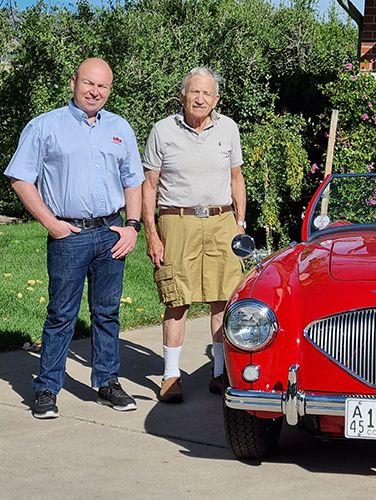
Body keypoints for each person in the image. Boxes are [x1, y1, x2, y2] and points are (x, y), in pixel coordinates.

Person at [4, 58, 145, 419]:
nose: (95, 91)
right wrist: (51, 224)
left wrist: (132, 225)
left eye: (103, 86)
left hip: (112, 232)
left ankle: (106, 383)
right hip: (70, 234)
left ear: (110, 90)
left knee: (108, 313)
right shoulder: (45, 126)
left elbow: (133, 179)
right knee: (61, 315)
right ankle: (47, 388)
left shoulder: (119, 127)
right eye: (88, 83)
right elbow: (20, 178)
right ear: (73, 82)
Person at [142, 67, 246, 404]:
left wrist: (240, 224)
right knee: (177, 300)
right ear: (183, 96)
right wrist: (152, 234)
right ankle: (171, 376)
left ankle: (219, 373)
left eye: (206, 94)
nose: (200, 99)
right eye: (194, 92)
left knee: (223, 298)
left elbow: (236, 179)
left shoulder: (228, 128)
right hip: (178, 221)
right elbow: (150, 185)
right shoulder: (162, 131)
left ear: (216, 99)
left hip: (221, 221)